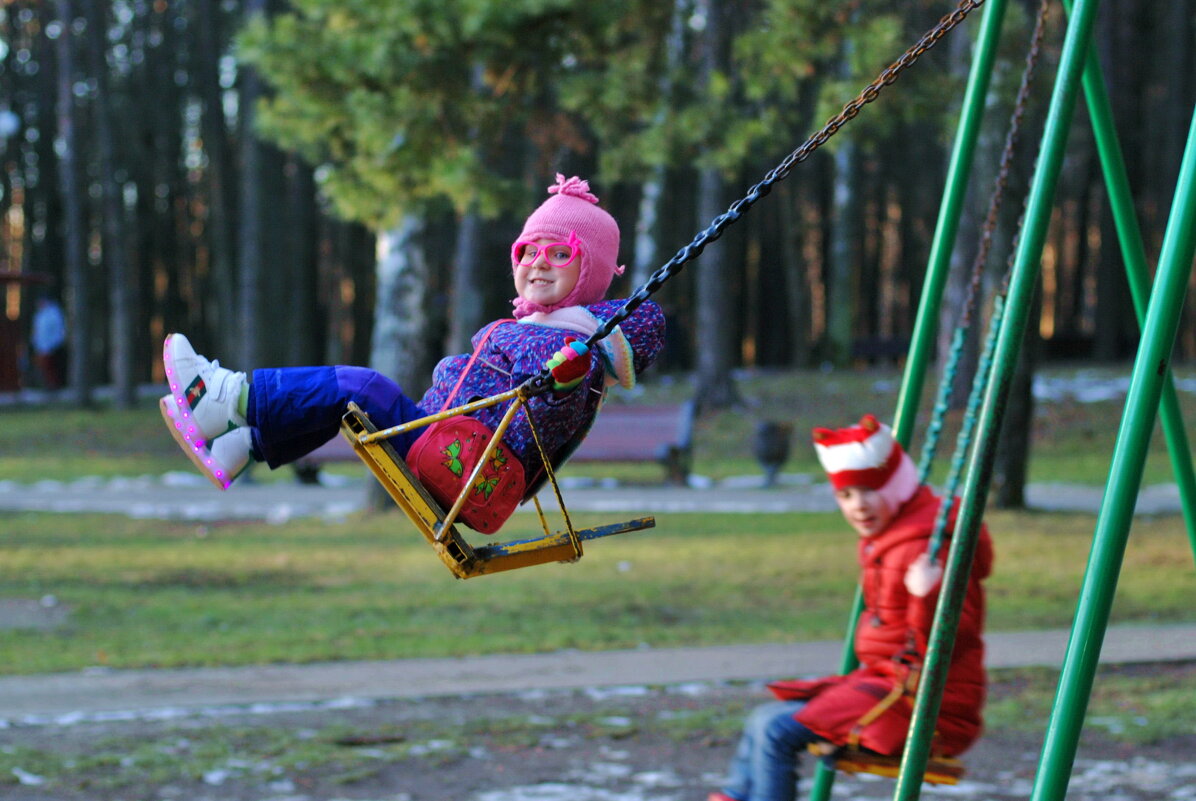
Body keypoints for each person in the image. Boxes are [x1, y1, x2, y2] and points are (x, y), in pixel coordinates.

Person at [158, 175, 665, 526]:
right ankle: (244, 444)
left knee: (362, 386)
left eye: (561, 254)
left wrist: (565, 377)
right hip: (454, 453)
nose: (539, 263)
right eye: (528, 250)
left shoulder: (575, 346)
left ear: (591, 271)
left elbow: (554, 398)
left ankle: (226, 396)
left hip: (466, 471)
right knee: (353, 402)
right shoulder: (550, 328)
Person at [708, 414, 993, 801]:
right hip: (892, 685)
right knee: (762, 722)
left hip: (929, 706)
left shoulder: (930, 546)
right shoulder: (892, 536)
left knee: (775, 730)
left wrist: (928, 598)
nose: (858, 506)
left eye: (869, 491)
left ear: (894, 487)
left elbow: (950, 645)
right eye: (845, 495)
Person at [31, 294, 66, 390]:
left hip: (52, 346)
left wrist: (54, 344)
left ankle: (54, 385)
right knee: (44, 366)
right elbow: (37, 330)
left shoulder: (54, 313)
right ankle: (47, 385)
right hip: (41, 346)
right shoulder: (40, 314)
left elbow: (58, 330)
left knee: (51, 367)